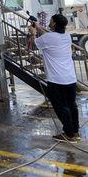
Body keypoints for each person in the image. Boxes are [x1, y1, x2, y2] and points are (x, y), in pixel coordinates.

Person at [28, 14, 80, 142]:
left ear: (54, 24)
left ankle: (68, 134)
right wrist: (38, 26)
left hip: (57, 80)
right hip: (70, 78)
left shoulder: (47, 38)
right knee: (71, 105)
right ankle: (75, 130)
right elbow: (49, 35)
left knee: (61, 107)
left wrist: (33, 32)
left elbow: (35, 44)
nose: (49, 23)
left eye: (51, 21)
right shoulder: (66, 37)